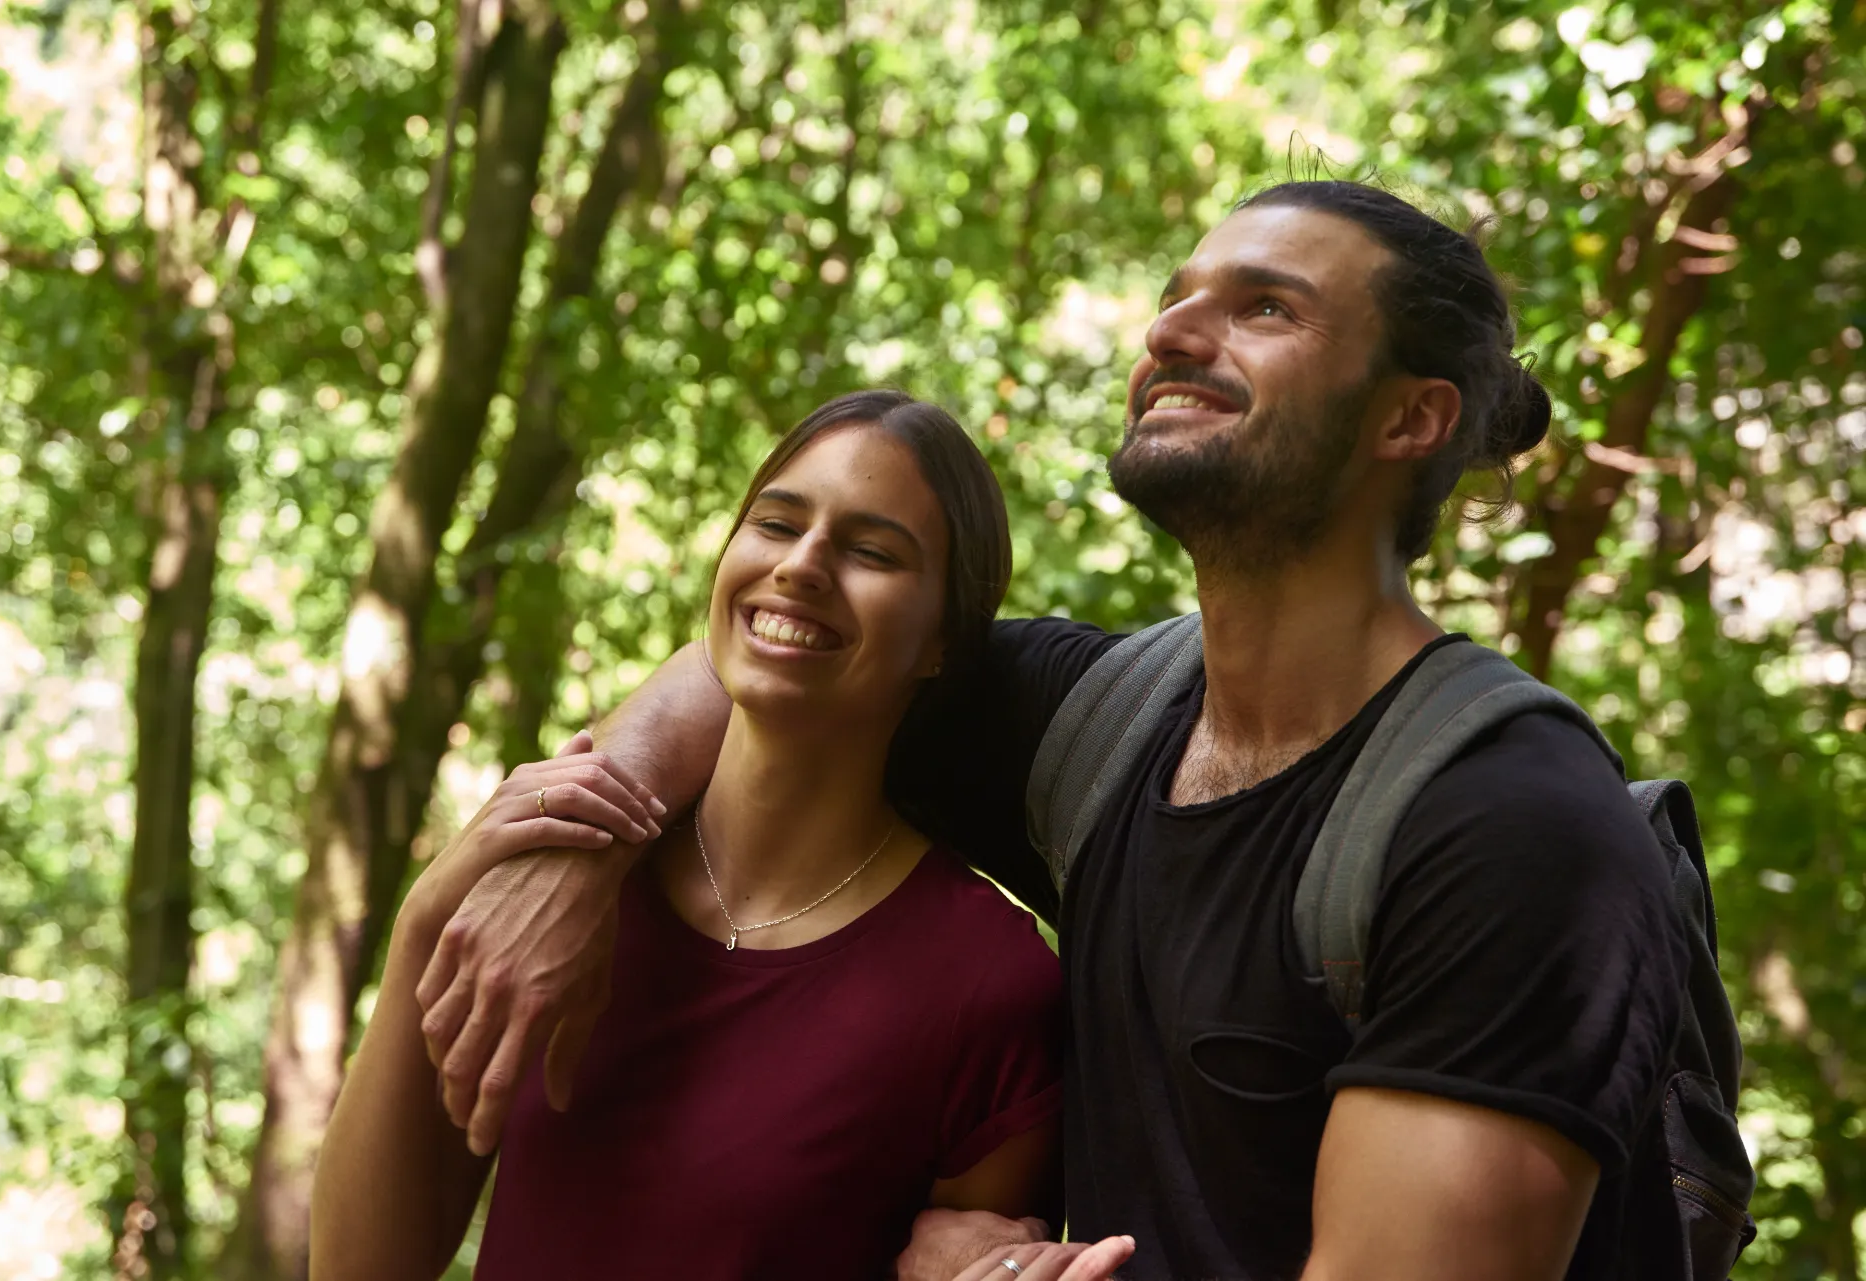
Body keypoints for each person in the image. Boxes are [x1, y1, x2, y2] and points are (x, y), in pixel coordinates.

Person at [415, 182, 1690, 1280]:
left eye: (1263, 308)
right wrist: (586, 836)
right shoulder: (1102, 723)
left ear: (1410, 419)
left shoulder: (1510, 829)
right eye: (1178, 295)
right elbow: (774, 654)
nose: (1172, 331)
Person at [309, 390, 1135, 1281]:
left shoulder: (990, 985)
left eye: (870, 551)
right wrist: (425, 920)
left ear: (943, 639)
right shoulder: (554, 885)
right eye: (777, 525)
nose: (804, 565)